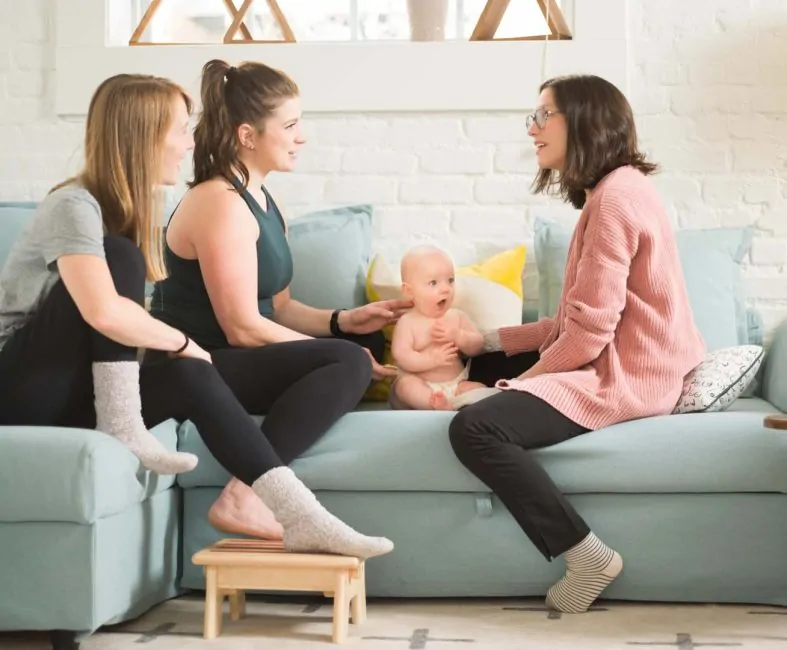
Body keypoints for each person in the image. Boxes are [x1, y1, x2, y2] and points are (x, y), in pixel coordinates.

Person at [0, 72, 393, 560]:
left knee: (192, 375)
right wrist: (183, 342)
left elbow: (272, 309)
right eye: (181, 130)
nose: (191, 143)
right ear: (143, 135)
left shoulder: (134, 208)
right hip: (19, 387)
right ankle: (124, 422)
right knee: (123, 260)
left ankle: (299, 515)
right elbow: (103, 311)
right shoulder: (73, 205)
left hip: (85, 389)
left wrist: (341, 323)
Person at [448, 74, 706, 613]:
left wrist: (513, 385)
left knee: (476, 427)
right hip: (624, 354)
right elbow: (573, 319)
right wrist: (489, 341)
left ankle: (585, 554)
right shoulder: (617, 190)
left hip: (629, 374)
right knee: (478, 356)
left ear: (584, 120)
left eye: (544, 116)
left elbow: (587, 336)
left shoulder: (614, 203)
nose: (533, 130)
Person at [148, 59, 410, 540]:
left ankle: (250, 490)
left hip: (237, 361)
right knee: (347, 364)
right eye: (290, 125)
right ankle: (244, 495)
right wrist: (339, 354)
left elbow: (280, 307)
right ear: (248, 135)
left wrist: (343, 322)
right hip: (197, 367)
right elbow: (243, 327)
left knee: (354, 350)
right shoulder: (219, 202)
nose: (301, 136)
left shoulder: (264, 201)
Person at [389, 245, 490, 410]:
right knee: (406, 387)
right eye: (433, 283)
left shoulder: (456, 316)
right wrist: (431, 360)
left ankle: (454, 405)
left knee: (479, 389)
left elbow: (478, 345)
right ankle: (433, 404)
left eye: (450, 280)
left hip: (457, 384)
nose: (445, 289)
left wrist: (459, 336)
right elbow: (401, 356)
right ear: (409, 291)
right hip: (422, 383)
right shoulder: (407, 322)